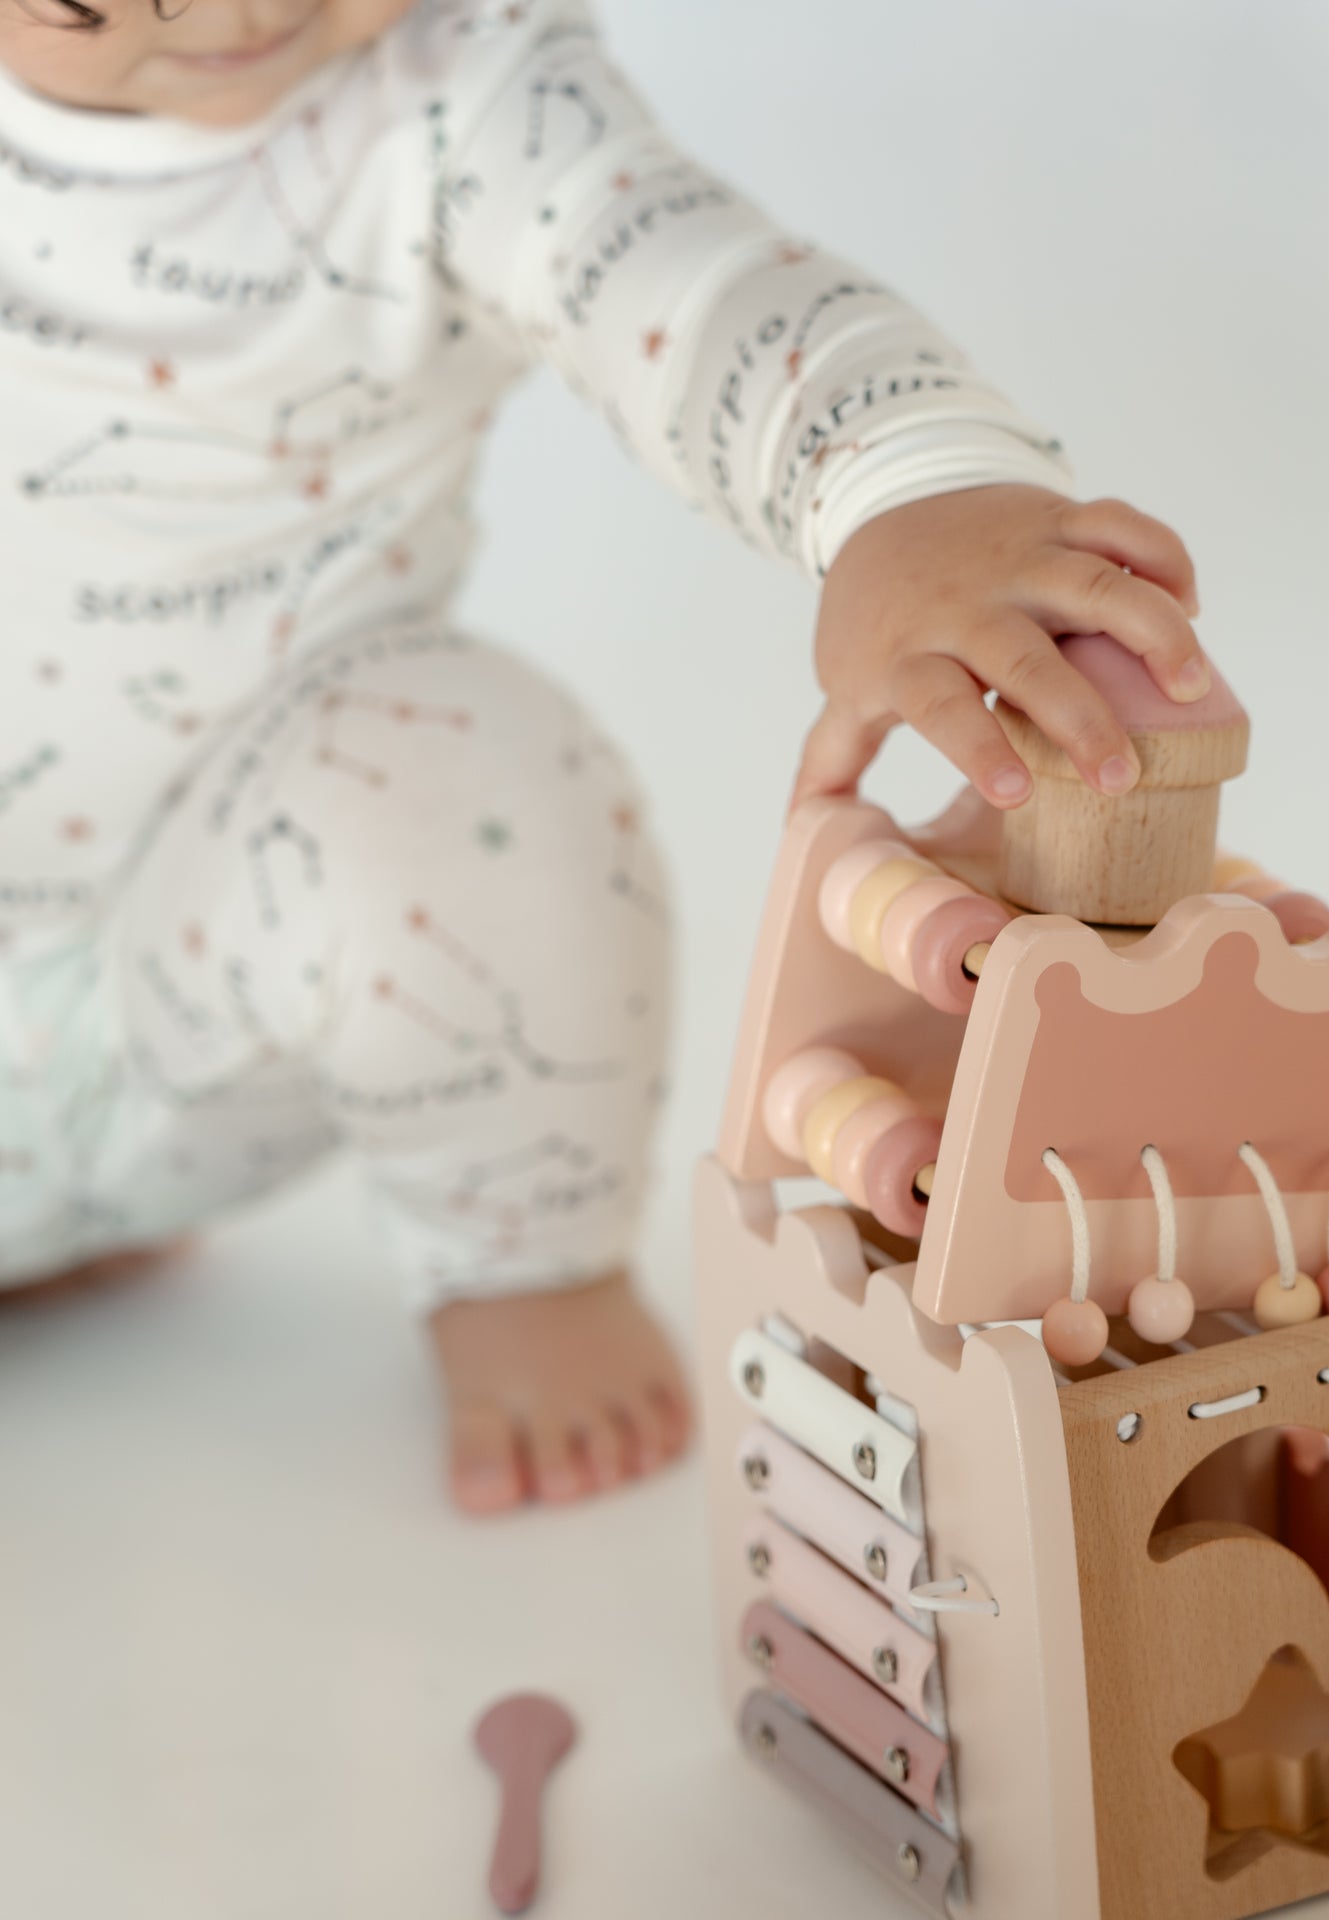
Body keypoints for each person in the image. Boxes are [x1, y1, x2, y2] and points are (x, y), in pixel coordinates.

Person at [0, 0, 1209, 1511]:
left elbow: (705, 296)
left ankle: (521, 1257)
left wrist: (915, 495)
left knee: (467, 770)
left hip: (204, 1007)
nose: (249, 11)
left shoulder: (454, 96)